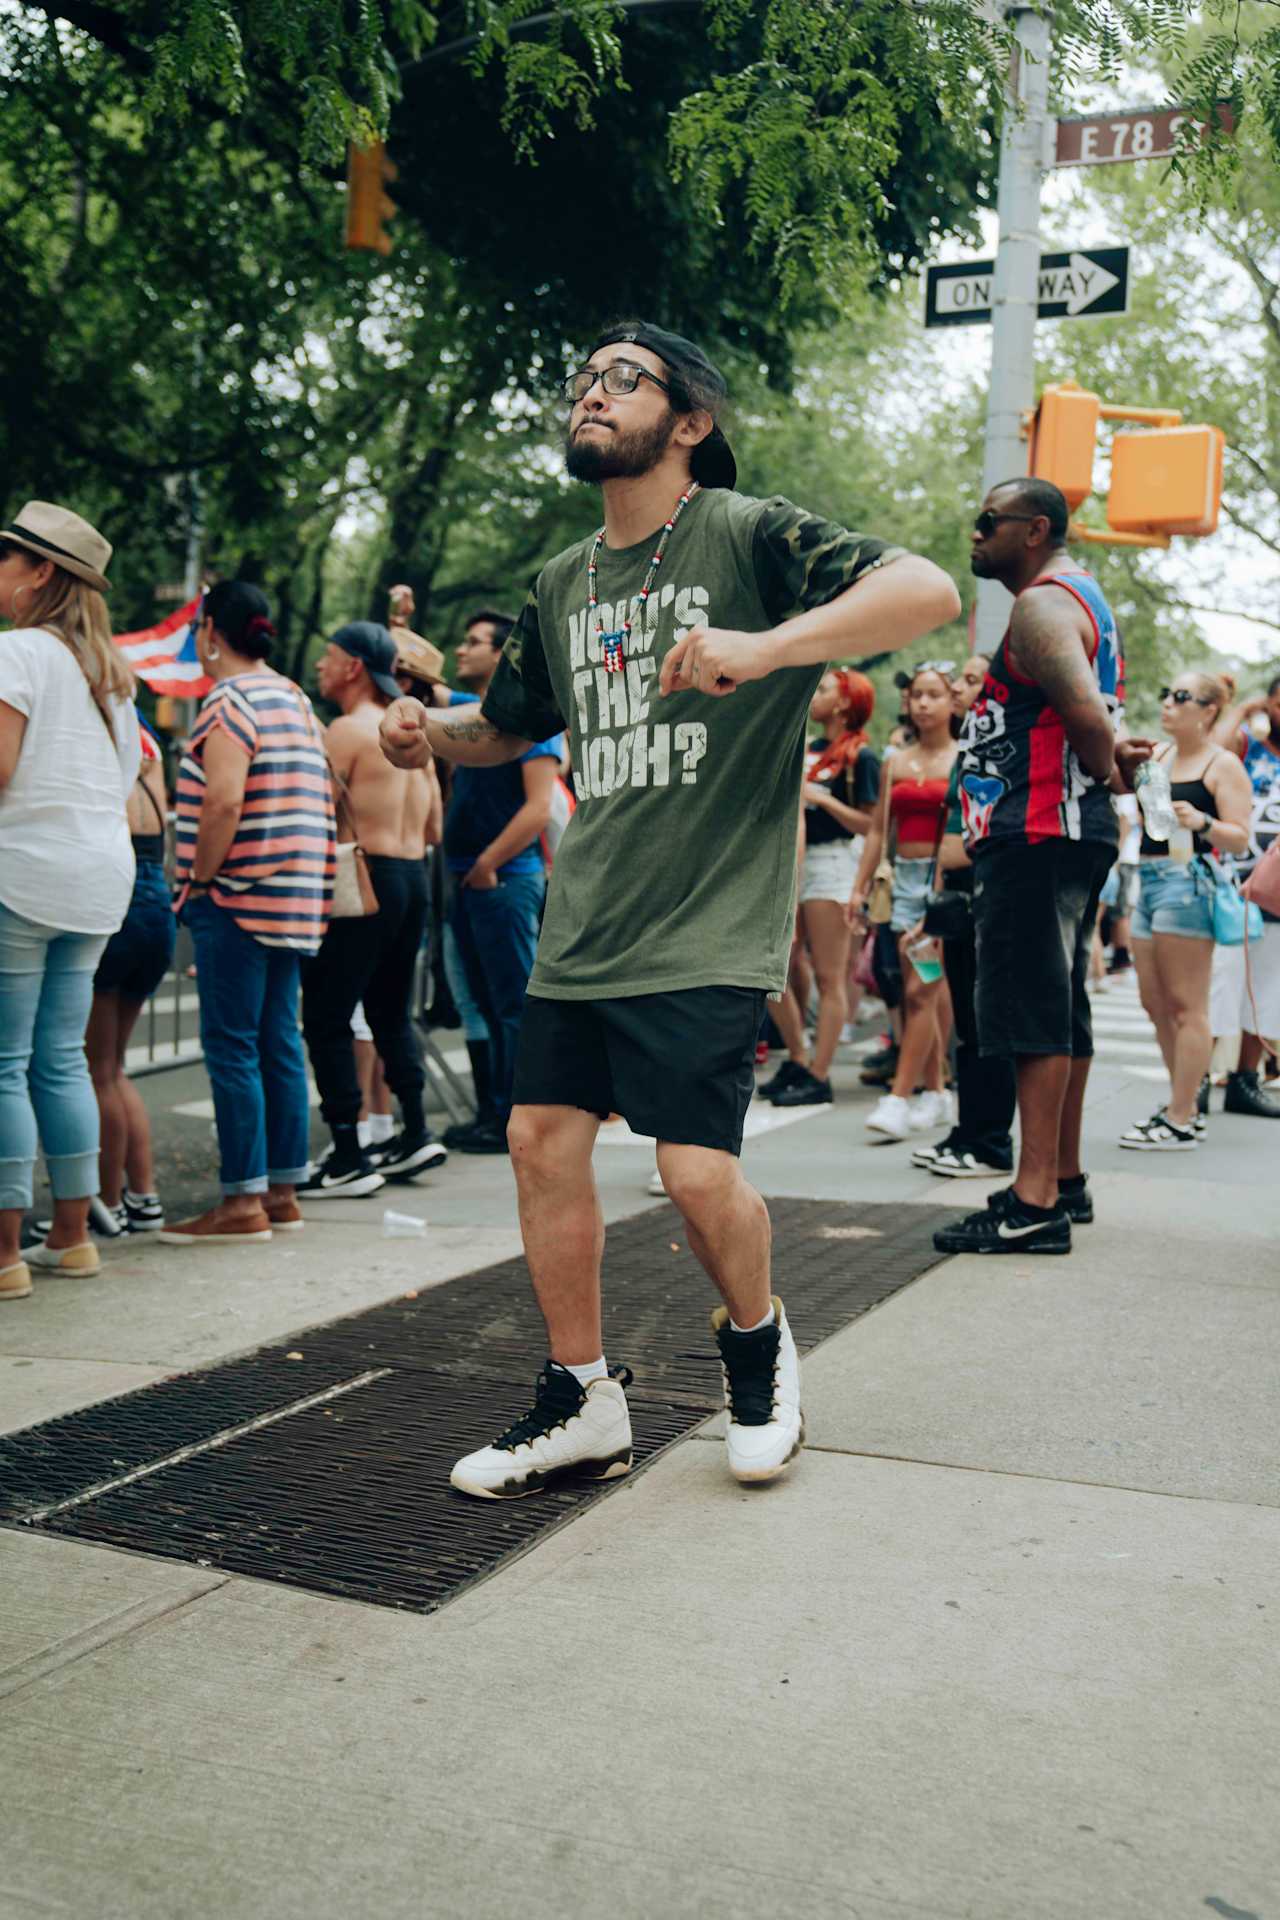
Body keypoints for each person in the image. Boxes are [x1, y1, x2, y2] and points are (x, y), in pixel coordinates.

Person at [380, 318, 959, 1496]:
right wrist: (424, 731)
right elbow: (511, 724)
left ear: (687, 422)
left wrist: (761, 646)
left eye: (623, 379)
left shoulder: (747, 535)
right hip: (589, 918)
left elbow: (926, 587)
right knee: (542, 1145)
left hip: (707, 916)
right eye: (582, 376)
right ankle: (582, 1398)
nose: (591, 393)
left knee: (694, 1173)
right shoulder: (559, 579)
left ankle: (756, 1346)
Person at [933, 477, 1147, 1258]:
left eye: (989, 521)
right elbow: (1091, 718)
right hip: (1064, 828)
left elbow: (1087, 711)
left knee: (1030, 1011)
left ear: (1035, 530)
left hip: (1037, 827)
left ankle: (1032, 1203)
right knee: (1058, 1004)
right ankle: (1062, 1176)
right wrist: (1112, 767)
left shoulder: (1043, 603)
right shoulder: (1078, 597)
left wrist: (1107, 762)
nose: (976, 533)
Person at [160, 581, 334, 1244]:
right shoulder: (292, 696)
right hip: (296, 896)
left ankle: (240, 1204)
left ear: (210, 631)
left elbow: (224, 803)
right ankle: (281, 1192)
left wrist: (200, 882)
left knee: (231, 1047)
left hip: (238, 893)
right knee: (278, 1042)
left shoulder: (229, 700)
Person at [0, 502, 140, 1300]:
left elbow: (1, 769)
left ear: (41, 573)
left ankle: (5, 1258)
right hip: (96, 880)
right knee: (60, 1060)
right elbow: (119, 784)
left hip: (22, 872)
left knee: (4, 1065)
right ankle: (72, 1238)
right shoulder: (110, 678)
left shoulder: (15, 654)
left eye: (7, 556)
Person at [299, 622, 445, 1195]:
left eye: (328, 657)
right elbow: (434, 824)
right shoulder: (415, 735)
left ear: (354, 666)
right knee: (389, 1011)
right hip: (412, 876)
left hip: (364, 878)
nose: (320, 667)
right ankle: (415, 1130)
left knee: (328, 1016)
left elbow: (317, 811)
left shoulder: (346, 731)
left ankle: (347, 1152)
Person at [439, 610, 563, 1155]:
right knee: (487, 1004)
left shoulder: (528, 719)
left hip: (505, 882)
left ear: (502, 652)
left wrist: (488, 863)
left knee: (512, 1004)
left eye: (473, 642)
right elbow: (422, 692)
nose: (461, 650)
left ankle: (515, 1119)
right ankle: (493, 1115)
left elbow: (540, 808)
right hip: (472, 881)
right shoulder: (473, 717)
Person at [1118, 674, 1252, 1150]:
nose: (1168, 704)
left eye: (1181, 697)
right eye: (1165, 694)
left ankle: (1179, 1116)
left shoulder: (1223, 764)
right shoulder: (1157, 756)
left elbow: (1241, 835)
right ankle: (1184, 1105)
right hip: (1150, 878)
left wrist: (1204, 821)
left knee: (1186, 1005)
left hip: (1189, 880)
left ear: (1209, 710)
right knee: (1154, 1003)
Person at [912, 653, 1019, 1179]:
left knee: (985, 1026)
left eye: (971, 680)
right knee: (965, 1027)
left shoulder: (1001, 747)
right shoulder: (968, 745)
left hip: (987, 898)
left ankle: (991, 1142)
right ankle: (968, 1131)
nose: (957, 687)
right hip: (956, 899)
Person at [848, 664, 958, 1140]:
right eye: (917, 696)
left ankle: (898, 1098)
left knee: (921, 992)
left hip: (941, 886)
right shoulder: (896, 760)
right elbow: (878, 830)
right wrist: (859, 887)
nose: (924, 704)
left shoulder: (962, 759)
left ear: (952, 701)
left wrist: (939, 896)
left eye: (934, 695)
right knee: (919, 991)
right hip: (901, 886)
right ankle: (936, 1092)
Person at [762, 669, 879, 1106]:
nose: (816, 695)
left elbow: (872, 825)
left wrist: (824, 799)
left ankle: (820, 1073)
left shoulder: (863, 757)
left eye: (826, 689)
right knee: (776, 969)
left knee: (831, 976)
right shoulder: (806, 747)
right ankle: (798, 1055)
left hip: (833, 862)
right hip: (790, 860)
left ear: (846, 703)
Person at [83, 714, 174, 1233]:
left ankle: (107, 1204)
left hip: (115, 904)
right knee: (115, 1069)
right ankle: (143, 1196)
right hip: (156, 908)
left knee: (98, 1072)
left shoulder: (95, 733)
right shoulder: (148, 740)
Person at [1210, 672, 1280, 1117]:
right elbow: (1211, 750)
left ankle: (1244, 1078)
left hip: (1276, 893)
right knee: (1217, 982)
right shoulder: (1245, 749)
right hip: (1228, 883)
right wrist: (1241, 710)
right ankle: (1195, 1078)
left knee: (1266, 988)